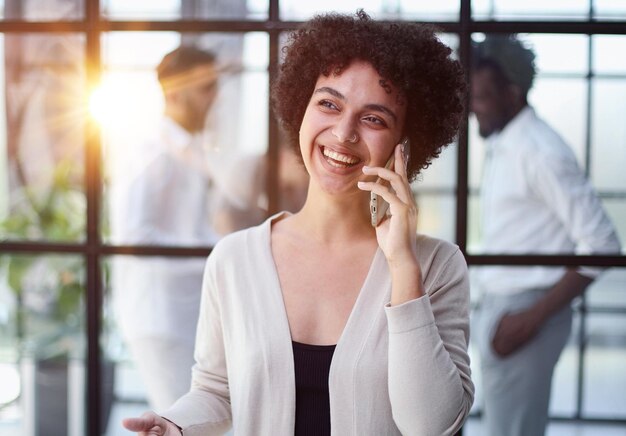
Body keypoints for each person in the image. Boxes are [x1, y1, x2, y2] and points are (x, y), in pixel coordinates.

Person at [123, 11, 474, 435]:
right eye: (329, 103)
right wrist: (174, 424)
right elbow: (218, 391)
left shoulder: (435, 266)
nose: (343, 133)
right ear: (300, 110)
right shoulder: (234, 258)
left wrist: (401, 265)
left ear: (405, 144)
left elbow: (432, 425)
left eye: (373, 118)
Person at [471, 35, 621, 436]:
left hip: (528, 312)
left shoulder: (540, 151)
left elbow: (603, 245)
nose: (473, 107)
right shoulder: (508, 142)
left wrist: (529, 320)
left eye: (482, 96)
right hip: (505, 309)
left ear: (511, 93)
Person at [110, 45, 222, 411]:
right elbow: (133, 238)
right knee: (179, 423)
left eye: (215, 87)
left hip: (186, 311)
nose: (214, 98)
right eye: (205, 88)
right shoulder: (150, 151)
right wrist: (214, 254)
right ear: (174, 91)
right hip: (161, 318)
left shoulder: (192, 149)